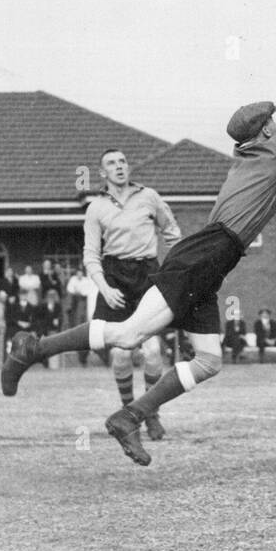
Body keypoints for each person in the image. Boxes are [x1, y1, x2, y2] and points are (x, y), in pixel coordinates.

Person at [0, 62, 276, 467]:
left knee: (208, 361)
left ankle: (129, 415)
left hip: (211, 260)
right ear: (267, 132)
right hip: (205, 256)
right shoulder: (273, 150)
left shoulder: (258, 152)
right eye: (272, 121)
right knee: (130, 336)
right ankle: (33, 349)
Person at [82, 148, 183, 440]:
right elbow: (91, 255)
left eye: (123, 161)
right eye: (111, 163)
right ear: (102, 173)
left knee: (152, 353)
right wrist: (105, 288)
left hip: (148, 275)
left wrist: (175, 267)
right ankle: (129, 416)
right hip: (114, 278)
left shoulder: (149, 196)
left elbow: (172, 231)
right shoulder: (96, 207)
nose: (119, 167)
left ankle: (150, 412)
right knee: (121, 355)